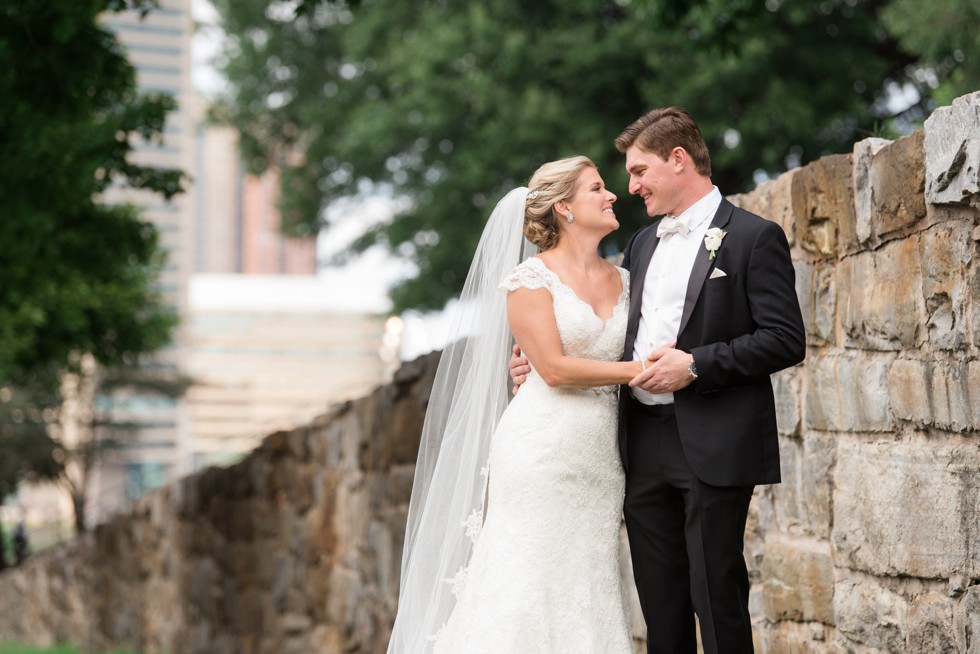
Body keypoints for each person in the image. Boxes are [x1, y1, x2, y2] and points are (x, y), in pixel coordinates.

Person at [511, 107, 806, 654]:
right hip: (639, 443)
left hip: (713, 439)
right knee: (660, 606)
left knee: (716, 595)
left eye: (640, 170)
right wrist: (535, 359)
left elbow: (786, 339)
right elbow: (603, 331)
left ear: (678, 160)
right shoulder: (641, 246)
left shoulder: (752, 238)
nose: (631, 186)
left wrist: (695, 365)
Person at [387, 156, 640, 653]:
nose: (613, 195)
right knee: (527, 577)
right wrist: (638, 372)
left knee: (587, 579)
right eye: (597, 188)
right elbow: (554, 369)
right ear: (564, 207)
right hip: (540, 452)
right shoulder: (530, 280)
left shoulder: (628, 280)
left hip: (601, 458)